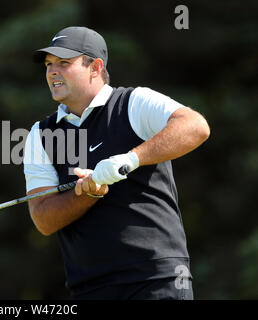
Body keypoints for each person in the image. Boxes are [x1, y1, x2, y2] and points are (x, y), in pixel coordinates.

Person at [23, 26, 210, 300]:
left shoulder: (133, 103)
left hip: (155, 277)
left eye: (64, 63)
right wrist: (86, 194)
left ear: (95, 67)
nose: (52, 71)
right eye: (49, 65)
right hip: (89, 287)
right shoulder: (40, 135)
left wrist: (129, 160)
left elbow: (196, 126)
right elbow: (43, 219)